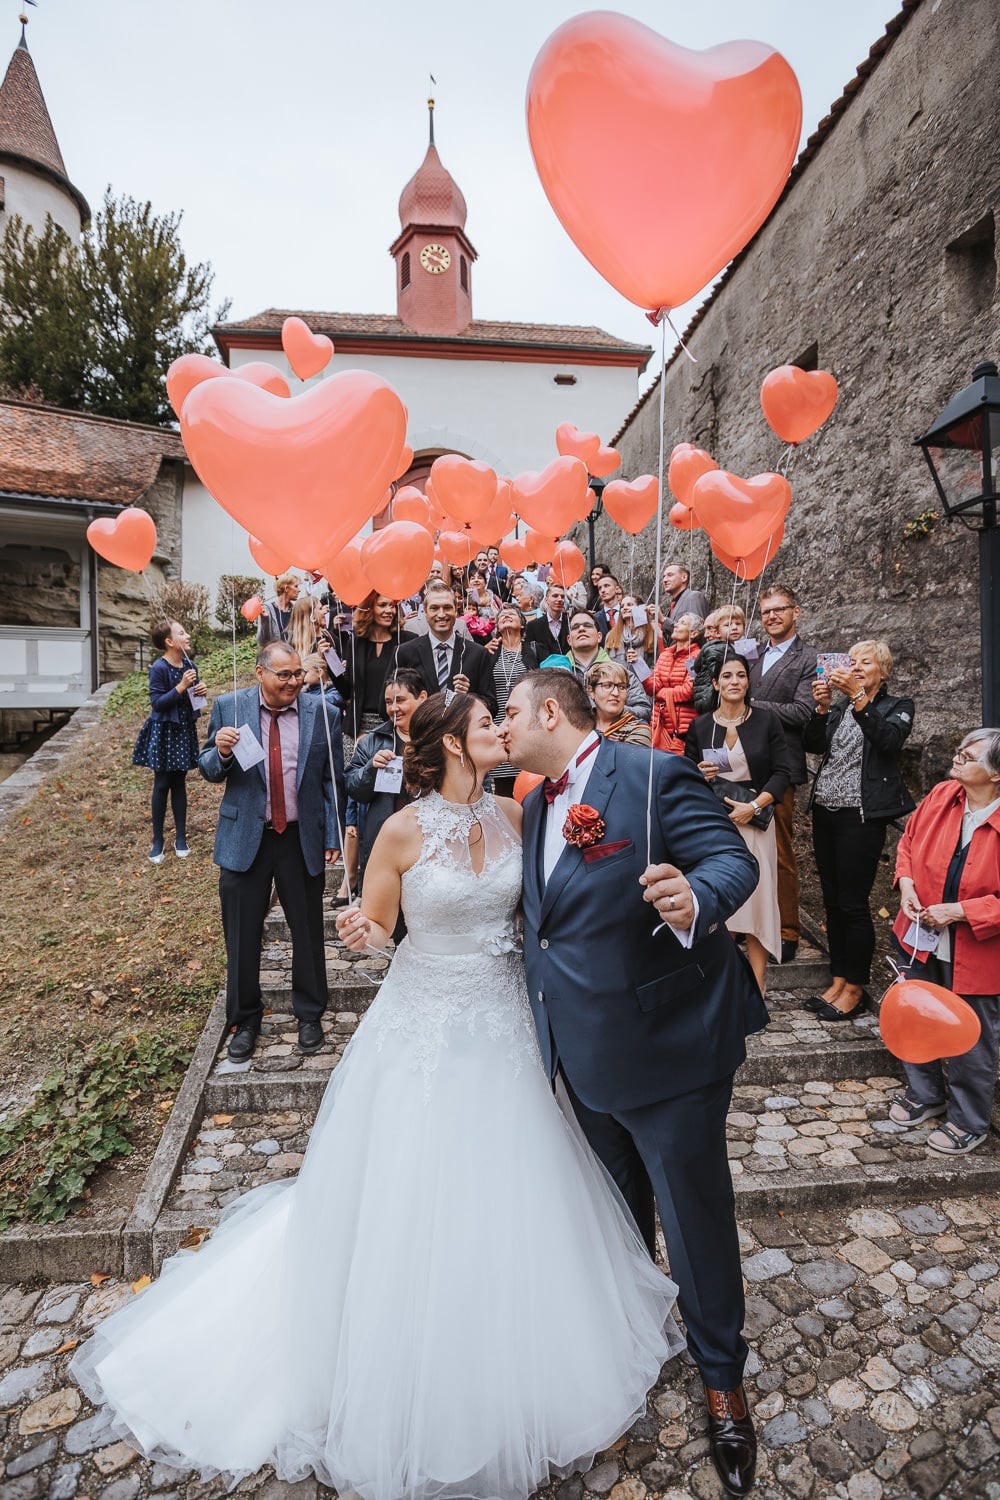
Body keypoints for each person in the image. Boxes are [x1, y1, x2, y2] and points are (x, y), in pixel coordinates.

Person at [72, 691, 685, 1498]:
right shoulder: (399, 829)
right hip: (422, 1032)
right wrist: (363, 935)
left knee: (514, 1191)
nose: (501, 729)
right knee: (410, 1194)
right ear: (454, 746)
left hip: (504, 1029)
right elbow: (378, 927)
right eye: (485, 725)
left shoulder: (519, 815)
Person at [504, 670, 767, 1499]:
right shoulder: (540, 802)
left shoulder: (650, 774)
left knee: (694, 1220)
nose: (502, 725)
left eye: (509, 712)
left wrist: (694, 901)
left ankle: (723, 1379)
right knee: (618, 1218)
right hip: (579, 1057)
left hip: (668, 1047)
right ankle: (633, 1338)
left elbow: (729, 860)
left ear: (550, 711)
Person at [197, 641, 346, 1062]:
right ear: (260, 673)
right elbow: (207, 767)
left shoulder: (324, 712)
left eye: (298, 673)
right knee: (242, 936)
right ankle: (245, 1020)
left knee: (308, 929)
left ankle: (310, 1013)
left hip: (300, 836)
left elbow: (331, 780)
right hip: (247, 837)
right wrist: (222, 752)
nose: (294, 682)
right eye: (284, 675)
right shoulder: (230, 707)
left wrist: (332, 833)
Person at [887, 728, 1000, 1154]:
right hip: (919, 933)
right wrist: (907, 885)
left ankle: (969, 1120)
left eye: (967, 756)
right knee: (916, 1013)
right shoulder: (941, 796)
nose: (956, 759)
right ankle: (924, 1094)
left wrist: (962, 912)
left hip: (978, 949)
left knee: (971, 1032)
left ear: (996, 775)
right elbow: (909, 842)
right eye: (958, 751)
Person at [803, 640, 915, 1021]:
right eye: (851, 662)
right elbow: (814, 745)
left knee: (853, 903)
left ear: (882, 671)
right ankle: (837, 979)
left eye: (864, 663)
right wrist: (821, 709)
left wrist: (859, 700)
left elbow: (889, 741)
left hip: (862, 816)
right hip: (825, 811)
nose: (855, 668)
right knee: (832, 901)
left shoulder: (896, 707)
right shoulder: (839, 708)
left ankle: (855, 987)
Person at [686, 656, 791, 992]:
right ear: (716, 683)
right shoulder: (701, 726)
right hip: (716, 823)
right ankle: (728, 984)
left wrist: (755, 805)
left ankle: (758, 987)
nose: (734, 681)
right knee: (724, 901)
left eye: (741, 676)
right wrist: (697, 774)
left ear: (748, 682)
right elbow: (684, 775)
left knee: (758, 903)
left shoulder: (766, 721)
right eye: (727, 676)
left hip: (756, 820)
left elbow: (783, 772)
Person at [747, 587, 817, 964]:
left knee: (780, 852)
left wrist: (751, 705)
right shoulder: (752, 653)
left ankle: (787, 930)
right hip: (741, 762)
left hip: (780, 765)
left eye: (779, 610)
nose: (772, 616)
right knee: (745, 847)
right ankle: (748, 923)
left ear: (796, 612)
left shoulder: (808, 658)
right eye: (766, 611)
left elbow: (803, 711)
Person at [346, 668, 428, 885]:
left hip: (430, 837)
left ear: (422, 697)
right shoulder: (371, 741)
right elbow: (353, 788)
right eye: (388, 702)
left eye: (400, 700)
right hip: (386, 838)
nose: (393, 708)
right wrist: (371, 768)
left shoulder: (439, 740)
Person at [132, 620, 204, 864]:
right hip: (164, 732)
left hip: (183, 730)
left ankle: (181, 837)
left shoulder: (190, 665)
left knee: (180, 782)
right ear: (169, 642)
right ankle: (157, 840)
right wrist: (182, 686)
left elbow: (192, 701)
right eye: (182, 633)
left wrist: (198, 691)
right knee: (162, 783)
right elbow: (157, 703)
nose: (187, 635)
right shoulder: (159, 668)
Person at [397, 580, 498, 714]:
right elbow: (391, 703)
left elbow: (492, 706)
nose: (441, 614)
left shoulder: (478, 654)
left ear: (456, 610)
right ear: (425, 612)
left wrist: (469, 698)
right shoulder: (405, 653)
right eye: (434, 608)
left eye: (447, 607)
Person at [338, 593, 416, 745]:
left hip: (396, 724)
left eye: (392, 606)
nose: (389, 610)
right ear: (368, 609)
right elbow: (347, 691)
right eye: (382, 605)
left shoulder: (408, 640)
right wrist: (329, 662)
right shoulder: (355, 643)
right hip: (357, 728)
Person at [486, 603, 540, 796]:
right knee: (504, 791)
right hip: (500, 728)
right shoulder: (489, 653)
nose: (506, 616)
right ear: (497, 627)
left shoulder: (535, 650)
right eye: (502, 616)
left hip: (527, 728)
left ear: (523, 625)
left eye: (512, 614)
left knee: (531, 784)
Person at [650, 612, 701, 753]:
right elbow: (653, 687)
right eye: (677, 622)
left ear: (694, 633)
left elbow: (689, 691)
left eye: (683, 623)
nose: (676, 625)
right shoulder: (665, 654)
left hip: (682, 729)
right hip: (659, 724)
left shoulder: (698, 657)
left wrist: (663, 692)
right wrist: (639, 666)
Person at [605, 594, 660, 723]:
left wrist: (640, 664)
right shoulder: (611, 636)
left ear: (640, 609)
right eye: (622, 606)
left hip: (642, 694)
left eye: (630, 605)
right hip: (617, 692)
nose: (624, 608)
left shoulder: (653, 634)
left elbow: (659, 669)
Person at [693, 606, 746, 714]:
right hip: (712, 700)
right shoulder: (719, 649)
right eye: (728, 625)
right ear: (717, 632)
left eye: (738, 624)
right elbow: (718, 675)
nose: (734, 627)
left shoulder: (730, 647)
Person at [586, 661, 651, 746]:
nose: (616, 693)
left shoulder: (638, 729)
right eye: (607, 685)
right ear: (591, 691)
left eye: (622, 687)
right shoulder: (579, 723)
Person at [524, 581, 569, 656]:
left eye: (562, 597)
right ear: (546, 600)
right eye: (555, 596)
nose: (559, 599)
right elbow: (529, 652)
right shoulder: (533, 626)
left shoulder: (571, 623)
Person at [256, 572, 300, 646]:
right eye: (296, 586)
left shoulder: (295, 610)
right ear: (286, 588)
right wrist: (265, 620)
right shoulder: (267, 609)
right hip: (275, 656)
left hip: (292, 656)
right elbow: (262, 641)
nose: (299, 590)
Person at [662, 563, 708, 629]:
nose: (665, 580)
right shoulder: (675, 603)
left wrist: (664, 620)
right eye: (664, 576)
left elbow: (696, 629)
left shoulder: (694, 597)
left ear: (684, 577)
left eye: (670, 575)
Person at [593, 574, 624, 640]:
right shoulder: (594, 618)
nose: (602, 590)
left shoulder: (628, 612)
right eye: (600, 588)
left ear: (617, 589)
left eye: (606, 586)